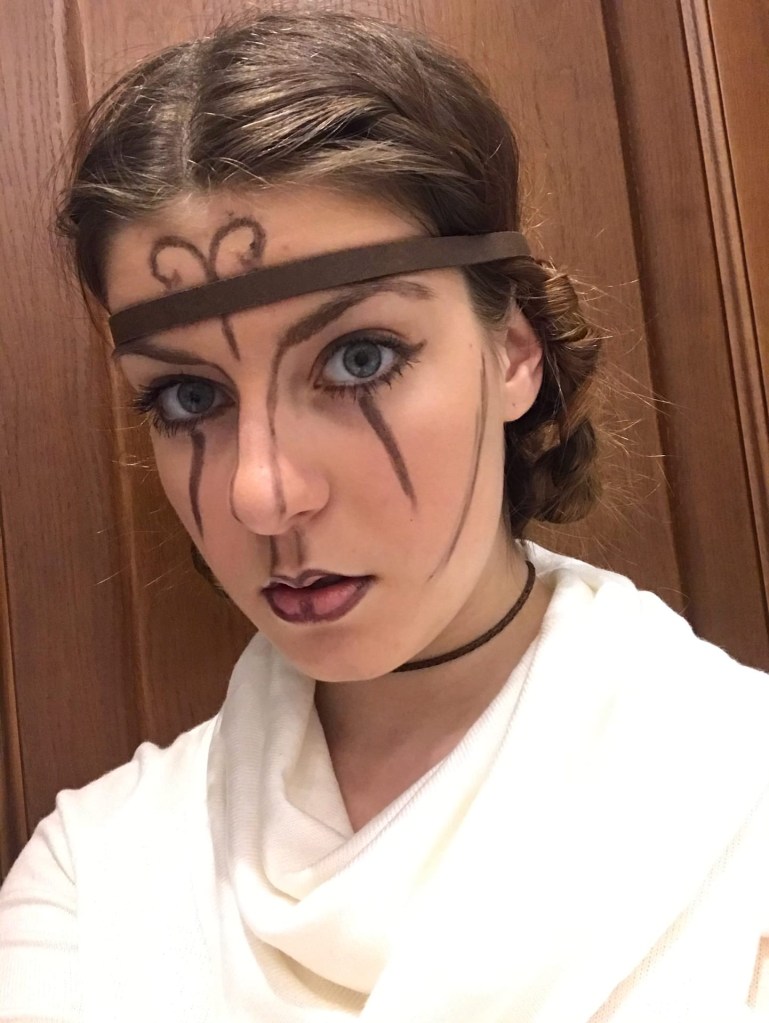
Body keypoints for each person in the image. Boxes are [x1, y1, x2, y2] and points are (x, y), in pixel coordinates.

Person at [1, 10, 767, 1022]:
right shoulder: (98, 879)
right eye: (188, 397)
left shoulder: (739, 792)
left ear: (513, 353)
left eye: (359, 358)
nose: (262, 493)